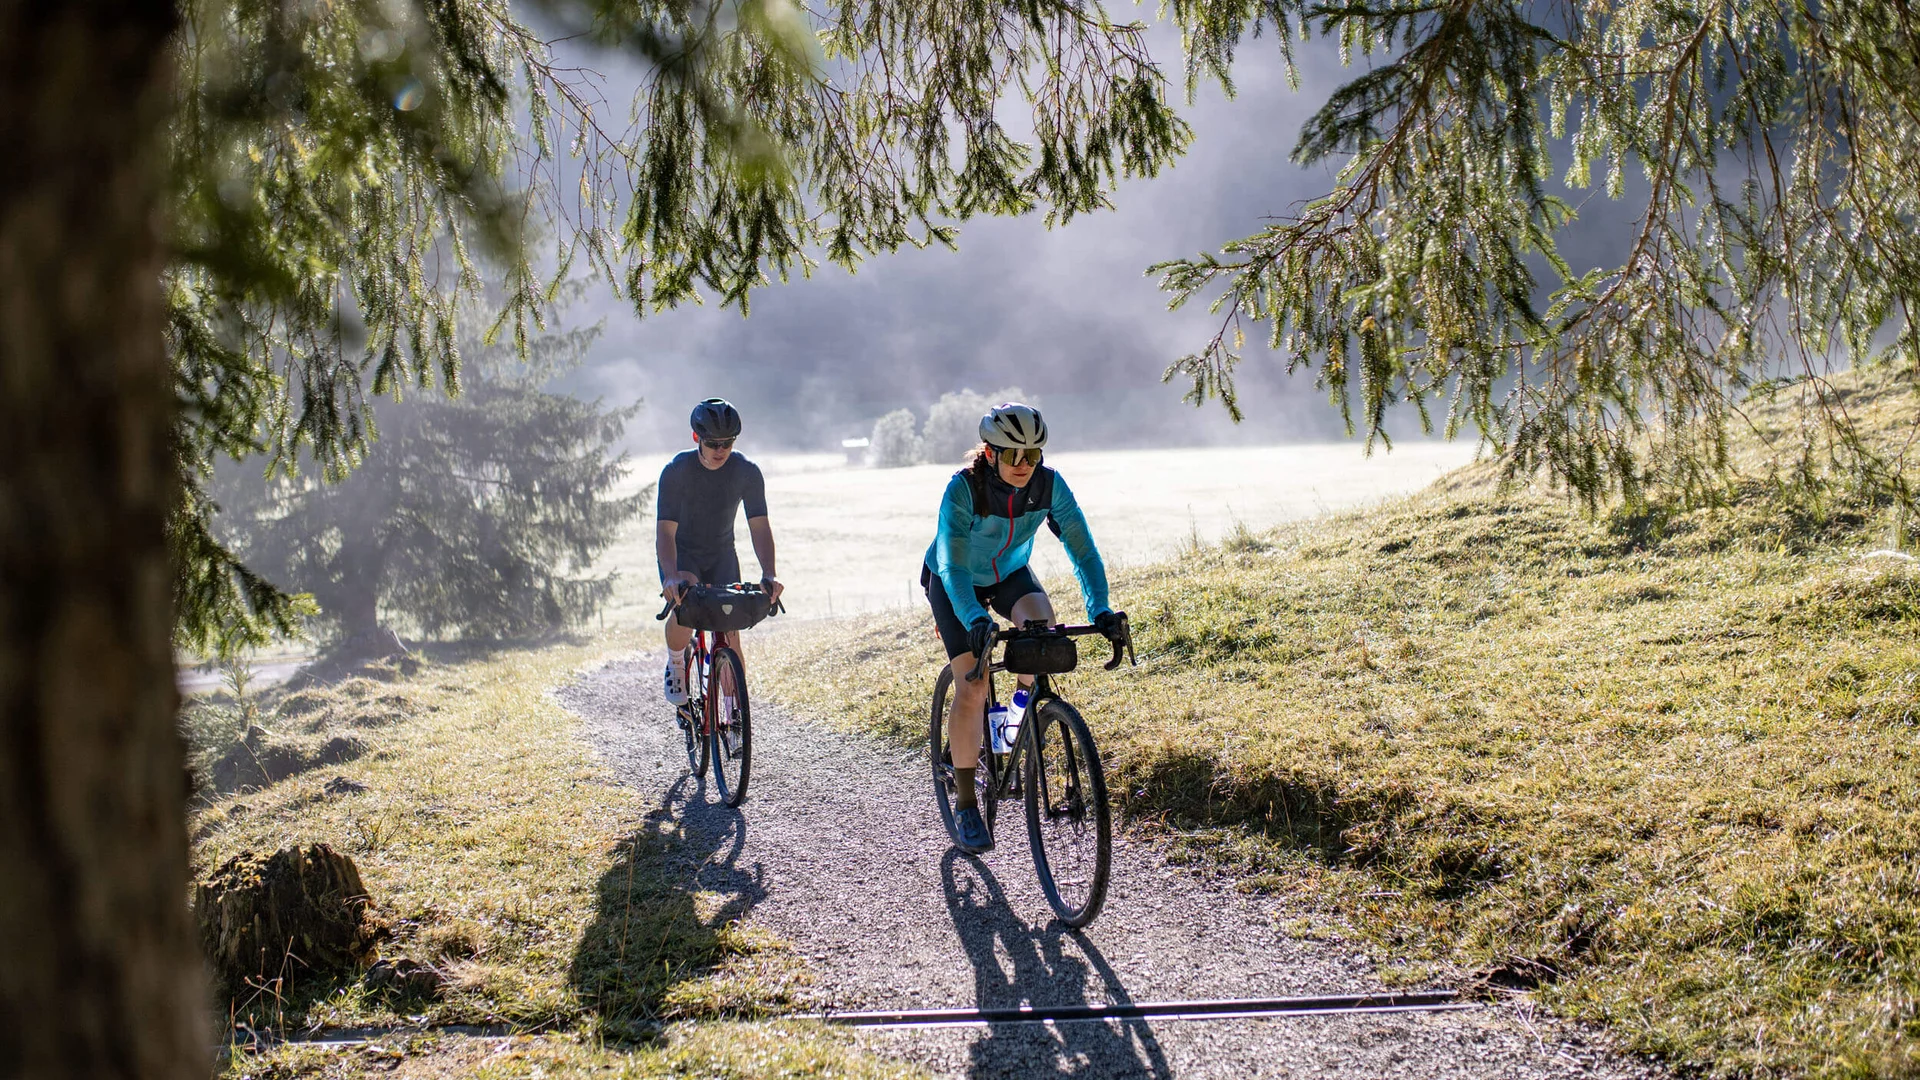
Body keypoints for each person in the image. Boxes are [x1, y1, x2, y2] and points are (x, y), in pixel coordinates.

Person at [922, 402, 1119, 854]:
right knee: (973, 682)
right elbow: (952, 566)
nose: (1023, 465)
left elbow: (1082, 549)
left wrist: (1101, 607)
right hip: (955, 582)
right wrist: (974, 619)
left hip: (1010, 574)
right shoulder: (964, 490)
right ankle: (968, 802)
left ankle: (1014, 720)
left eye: (1033, 455)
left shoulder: (1049, 485)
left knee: (1043, 630)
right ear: (990, 453)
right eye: (1012, 455)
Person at [657, 398, 785, 707]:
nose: (720, 450)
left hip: (722, 554)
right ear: (696, 438)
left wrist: (769, 573)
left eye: (727, 443)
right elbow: (665, 532)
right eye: (713, 442)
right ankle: (676, 660)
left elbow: (759, 526)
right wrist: (671, 577)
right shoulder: (677, 471)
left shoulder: (746, 471)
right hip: (683, 553)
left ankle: (732, 711)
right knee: (685, 606)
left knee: (731, 632)